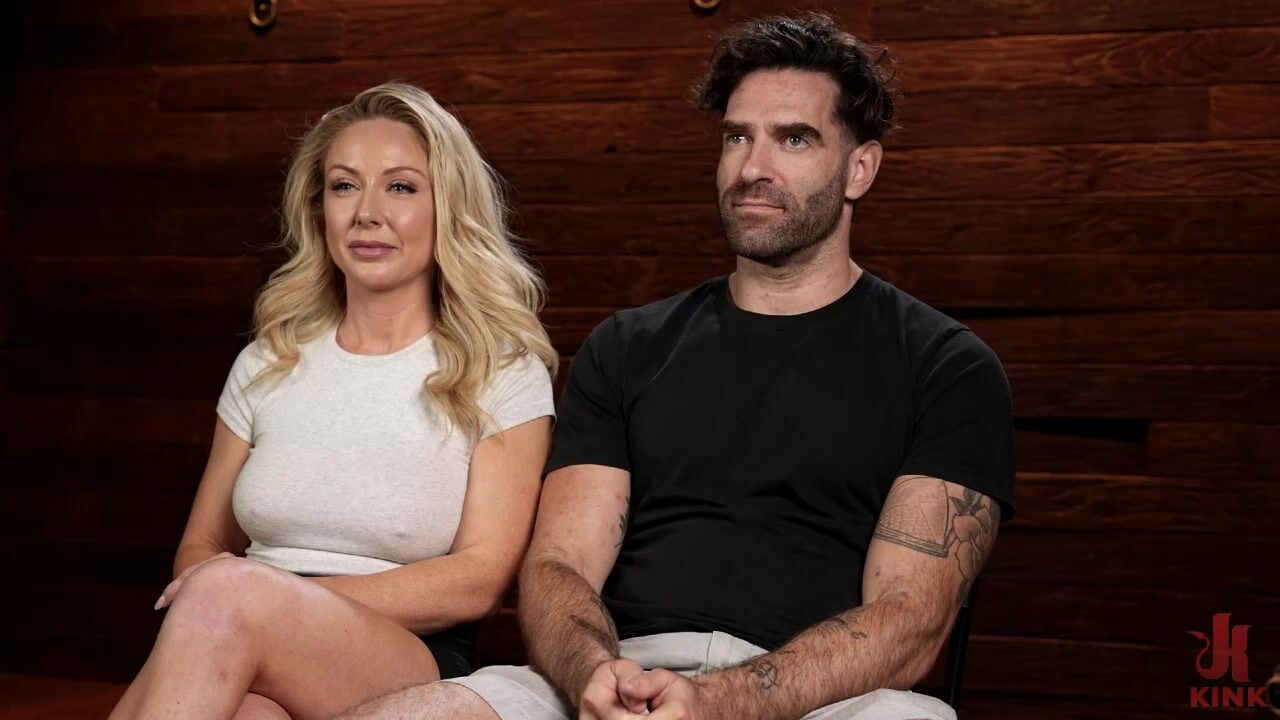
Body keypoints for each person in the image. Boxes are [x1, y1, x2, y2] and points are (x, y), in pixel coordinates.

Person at [339, 12, 1014, 720]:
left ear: (860, 169)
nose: (753, 169)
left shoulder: (947, 368)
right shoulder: (627, 346)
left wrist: (715, 701)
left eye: (794, 139)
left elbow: (908, 623)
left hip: (827, 699)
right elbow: (559, 565)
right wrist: (597, 676)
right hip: (621, 673)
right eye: (737, 137)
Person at [108, 82, 557, 720]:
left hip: (404, 650)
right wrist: (252, 604)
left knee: (226, 595)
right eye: (344, 186)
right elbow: (202, 543)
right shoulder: (268, 361)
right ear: (319, 210)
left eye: (400, 187)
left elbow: (479, 580)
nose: (366, 213)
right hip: (231, 630)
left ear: (448, 208)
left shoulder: (499, 370)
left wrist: (266, 600)